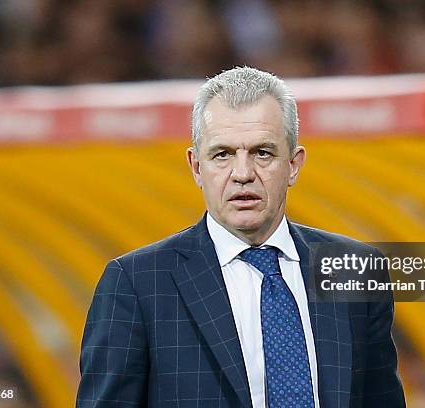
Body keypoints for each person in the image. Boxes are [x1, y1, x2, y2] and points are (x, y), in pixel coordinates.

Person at [76, 66, 405, 408]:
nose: (243, 174)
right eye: (223, 154)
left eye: (262, 152)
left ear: (293, 164)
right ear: (196, 167)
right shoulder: (137, 283)